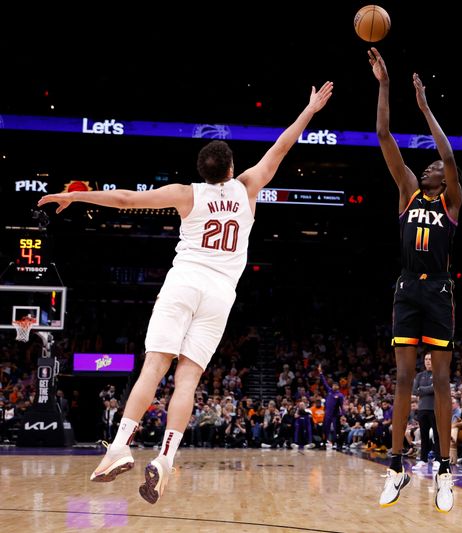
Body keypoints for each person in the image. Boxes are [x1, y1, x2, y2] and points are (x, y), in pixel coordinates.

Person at [38, 81, 334, 504]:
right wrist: (309, 110)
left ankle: (120, 447)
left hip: (184, 283)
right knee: (188, 380)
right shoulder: (248, 186)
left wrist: (76, 195)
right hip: (220, 296)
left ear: (203, 171)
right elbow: (283, 145)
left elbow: (124, 200)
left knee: (153, 367)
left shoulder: (185, 194)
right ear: (231, 169)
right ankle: (164, 458)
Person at [368, 47, 462, 513]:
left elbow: (447, 152)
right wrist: (385, 85)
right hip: (407, 286)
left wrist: (426, 108)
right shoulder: (407, 191)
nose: (431, 167)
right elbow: (384, 134)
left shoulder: (452, 201)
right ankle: (396, 464)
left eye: (437, 169)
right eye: (426, 166)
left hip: (440, 288)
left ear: (446, 179)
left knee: (441, 382)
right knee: (404, 376)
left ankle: (445, 468)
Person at [412, 353, 439, 470]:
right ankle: (423, 459)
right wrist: (429, 389)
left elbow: (436, 388)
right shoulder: (419, 375)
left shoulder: (438, 374)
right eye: (426, 359)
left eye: (430, 359)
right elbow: (414, 391)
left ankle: (438, 460)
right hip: (422, 409)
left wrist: (422, 389)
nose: (428, 361)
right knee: (423, 435)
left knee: (437, 435)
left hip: (435, 408)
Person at [318, 365, 345, 450]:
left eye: (336, 385)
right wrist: (320, 373)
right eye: (333, 385)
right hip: (327, 414)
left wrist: (343, 415)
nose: (334, 386)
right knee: (325, 429)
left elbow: (342, 406)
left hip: (335, 415)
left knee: (337, 430)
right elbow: (324, 382)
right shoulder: (329, 391)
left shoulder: (340, 395)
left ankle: (338, 445)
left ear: (338, 387)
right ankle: (324, 444)